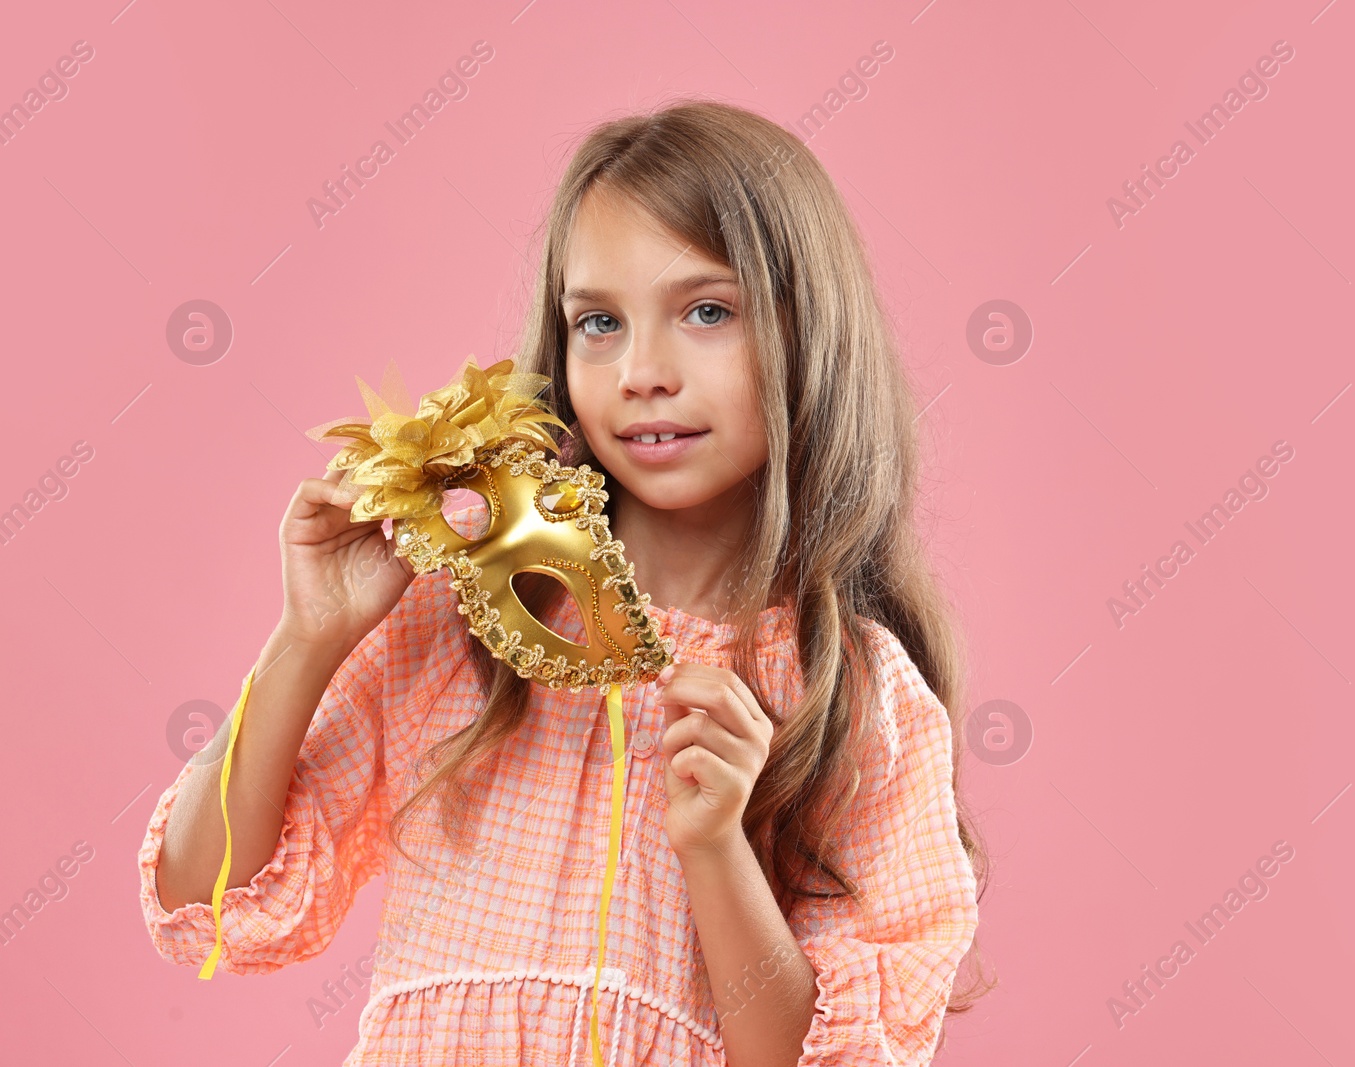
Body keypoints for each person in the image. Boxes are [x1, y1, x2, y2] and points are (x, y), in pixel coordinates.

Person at [139, 98, 991, 1067]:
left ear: (810, 332)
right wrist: (307, 640)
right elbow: (203, 901)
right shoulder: (455, 622)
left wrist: (716, 842)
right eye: (597, 322)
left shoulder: (854, 696)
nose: (641, 371)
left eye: (707, 310)